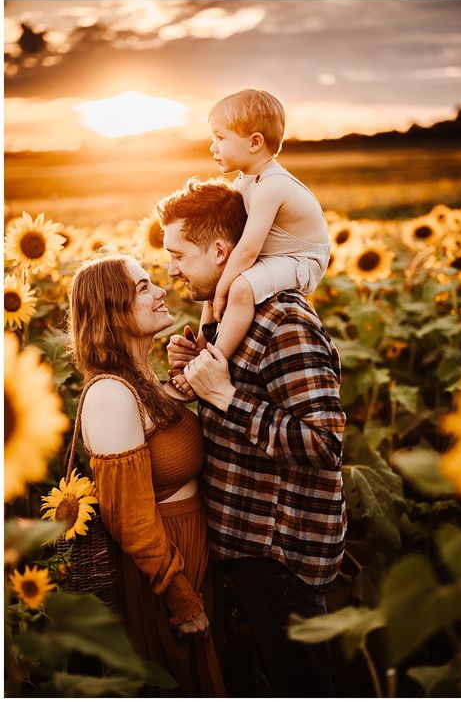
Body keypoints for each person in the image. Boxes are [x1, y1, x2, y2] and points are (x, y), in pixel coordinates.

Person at [158, 178, 346, 697]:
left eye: (177, 253)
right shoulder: (227, 317)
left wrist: (224, 396)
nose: (169, 267)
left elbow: (324, 446)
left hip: (280, 555)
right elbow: (238, 407)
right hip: (246, 547)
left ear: (220, 250)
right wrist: (195, 371)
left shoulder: (284, 323)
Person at [67, 253, 226, 697]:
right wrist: (179, 596)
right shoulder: (110, 396)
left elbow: (183, 401)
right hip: (163, 565)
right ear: (111, 311)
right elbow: (129, 520)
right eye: (142, 288)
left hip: (189, 545)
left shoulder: (141, 382)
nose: (160, 292)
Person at [168, 88, 330, 401]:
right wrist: (217, 290)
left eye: (220, 137)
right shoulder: (245, 182)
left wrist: (224, 290)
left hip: (302, 260)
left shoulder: (272, 185)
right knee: (218, 285)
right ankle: (202, 351)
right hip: (278, 255)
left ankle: (212, 365)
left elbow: (248, 249)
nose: (212, 147)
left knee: (238, 287)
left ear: (254, 142)